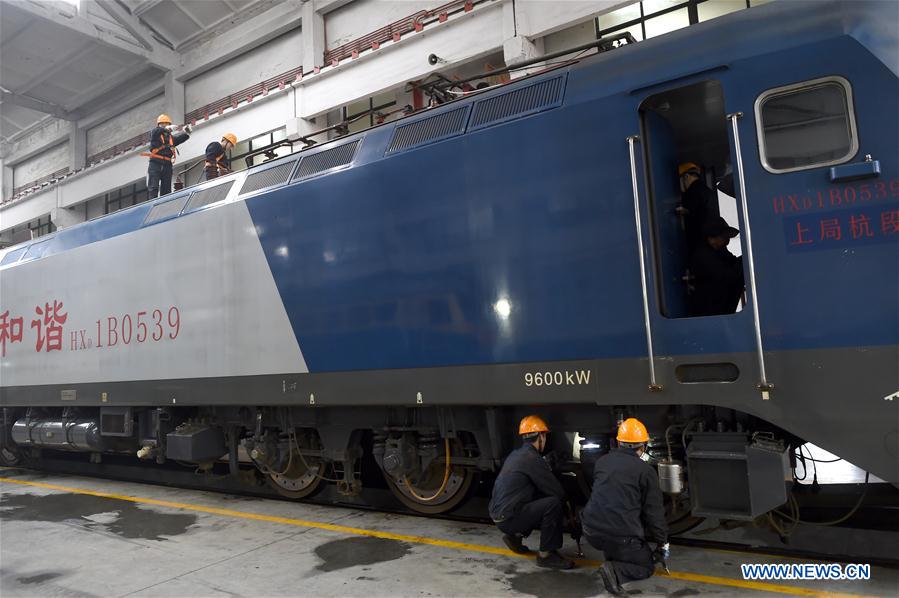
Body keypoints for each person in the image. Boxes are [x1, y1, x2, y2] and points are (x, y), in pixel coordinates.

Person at [582, 418, 668, 596]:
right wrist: (662, 543)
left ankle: (614, 557)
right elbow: (654, 513)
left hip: (590, 531)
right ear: (643, 446)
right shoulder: (646, 471)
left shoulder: (602, 462)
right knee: (645, 566)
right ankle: (615, 571)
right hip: (619, 536)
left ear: (618, 442)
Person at [488, 415, 574, 570]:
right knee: (553, 503)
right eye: (545, 436)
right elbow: (557, 492)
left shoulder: (517, 454)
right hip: (509, 517)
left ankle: (515, 536)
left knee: (534, 497)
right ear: (541, 436)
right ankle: (546, 556)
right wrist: (571, 515)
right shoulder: (532, 458)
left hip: (498, 515)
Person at [689, 216, 744, 316]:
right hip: (709, 313)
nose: (727, 241)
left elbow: (734, 262)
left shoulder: (720, 250)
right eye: (723, 237)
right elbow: (728, 275)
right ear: (711, 237)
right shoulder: (703, 256)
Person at [145, 114, 191, 198]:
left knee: (166, 190)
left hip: (167, 164)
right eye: (162, 124)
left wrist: (186, 133)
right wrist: (167, 128)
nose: (165, 125)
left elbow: (178, 139)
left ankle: (164, 205)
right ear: (158, 125)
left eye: (167, 124)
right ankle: (151, 204)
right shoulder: (155, 133)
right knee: (153, 187)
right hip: (155, 163)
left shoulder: (170, 138)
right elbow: (156, 132)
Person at [678, 162, 717, 255]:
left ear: (686, 176)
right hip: (707, 243)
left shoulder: (692, 192)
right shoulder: (706, 191)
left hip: (698, 245)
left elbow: (687, 210)